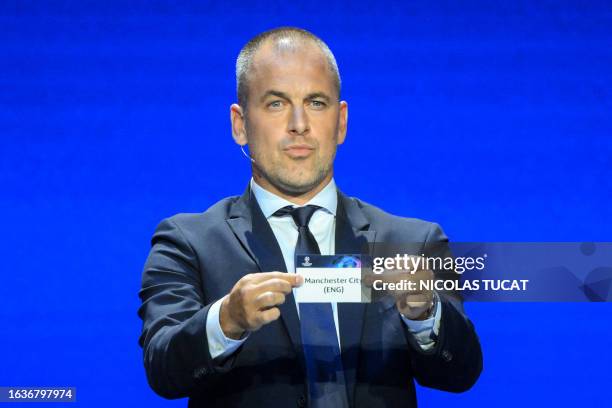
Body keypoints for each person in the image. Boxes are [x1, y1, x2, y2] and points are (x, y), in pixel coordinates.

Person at [138, 27, 482, 408]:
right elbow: (163, 368)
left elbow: (460, 373)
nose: (299, 123)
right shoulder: (188, 241)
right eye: (276, 103)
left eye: (316, 102)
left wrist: (426, 314)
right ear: (240, 124)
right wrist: (227, 320)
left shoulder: (412, 242)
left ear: (341, 121)